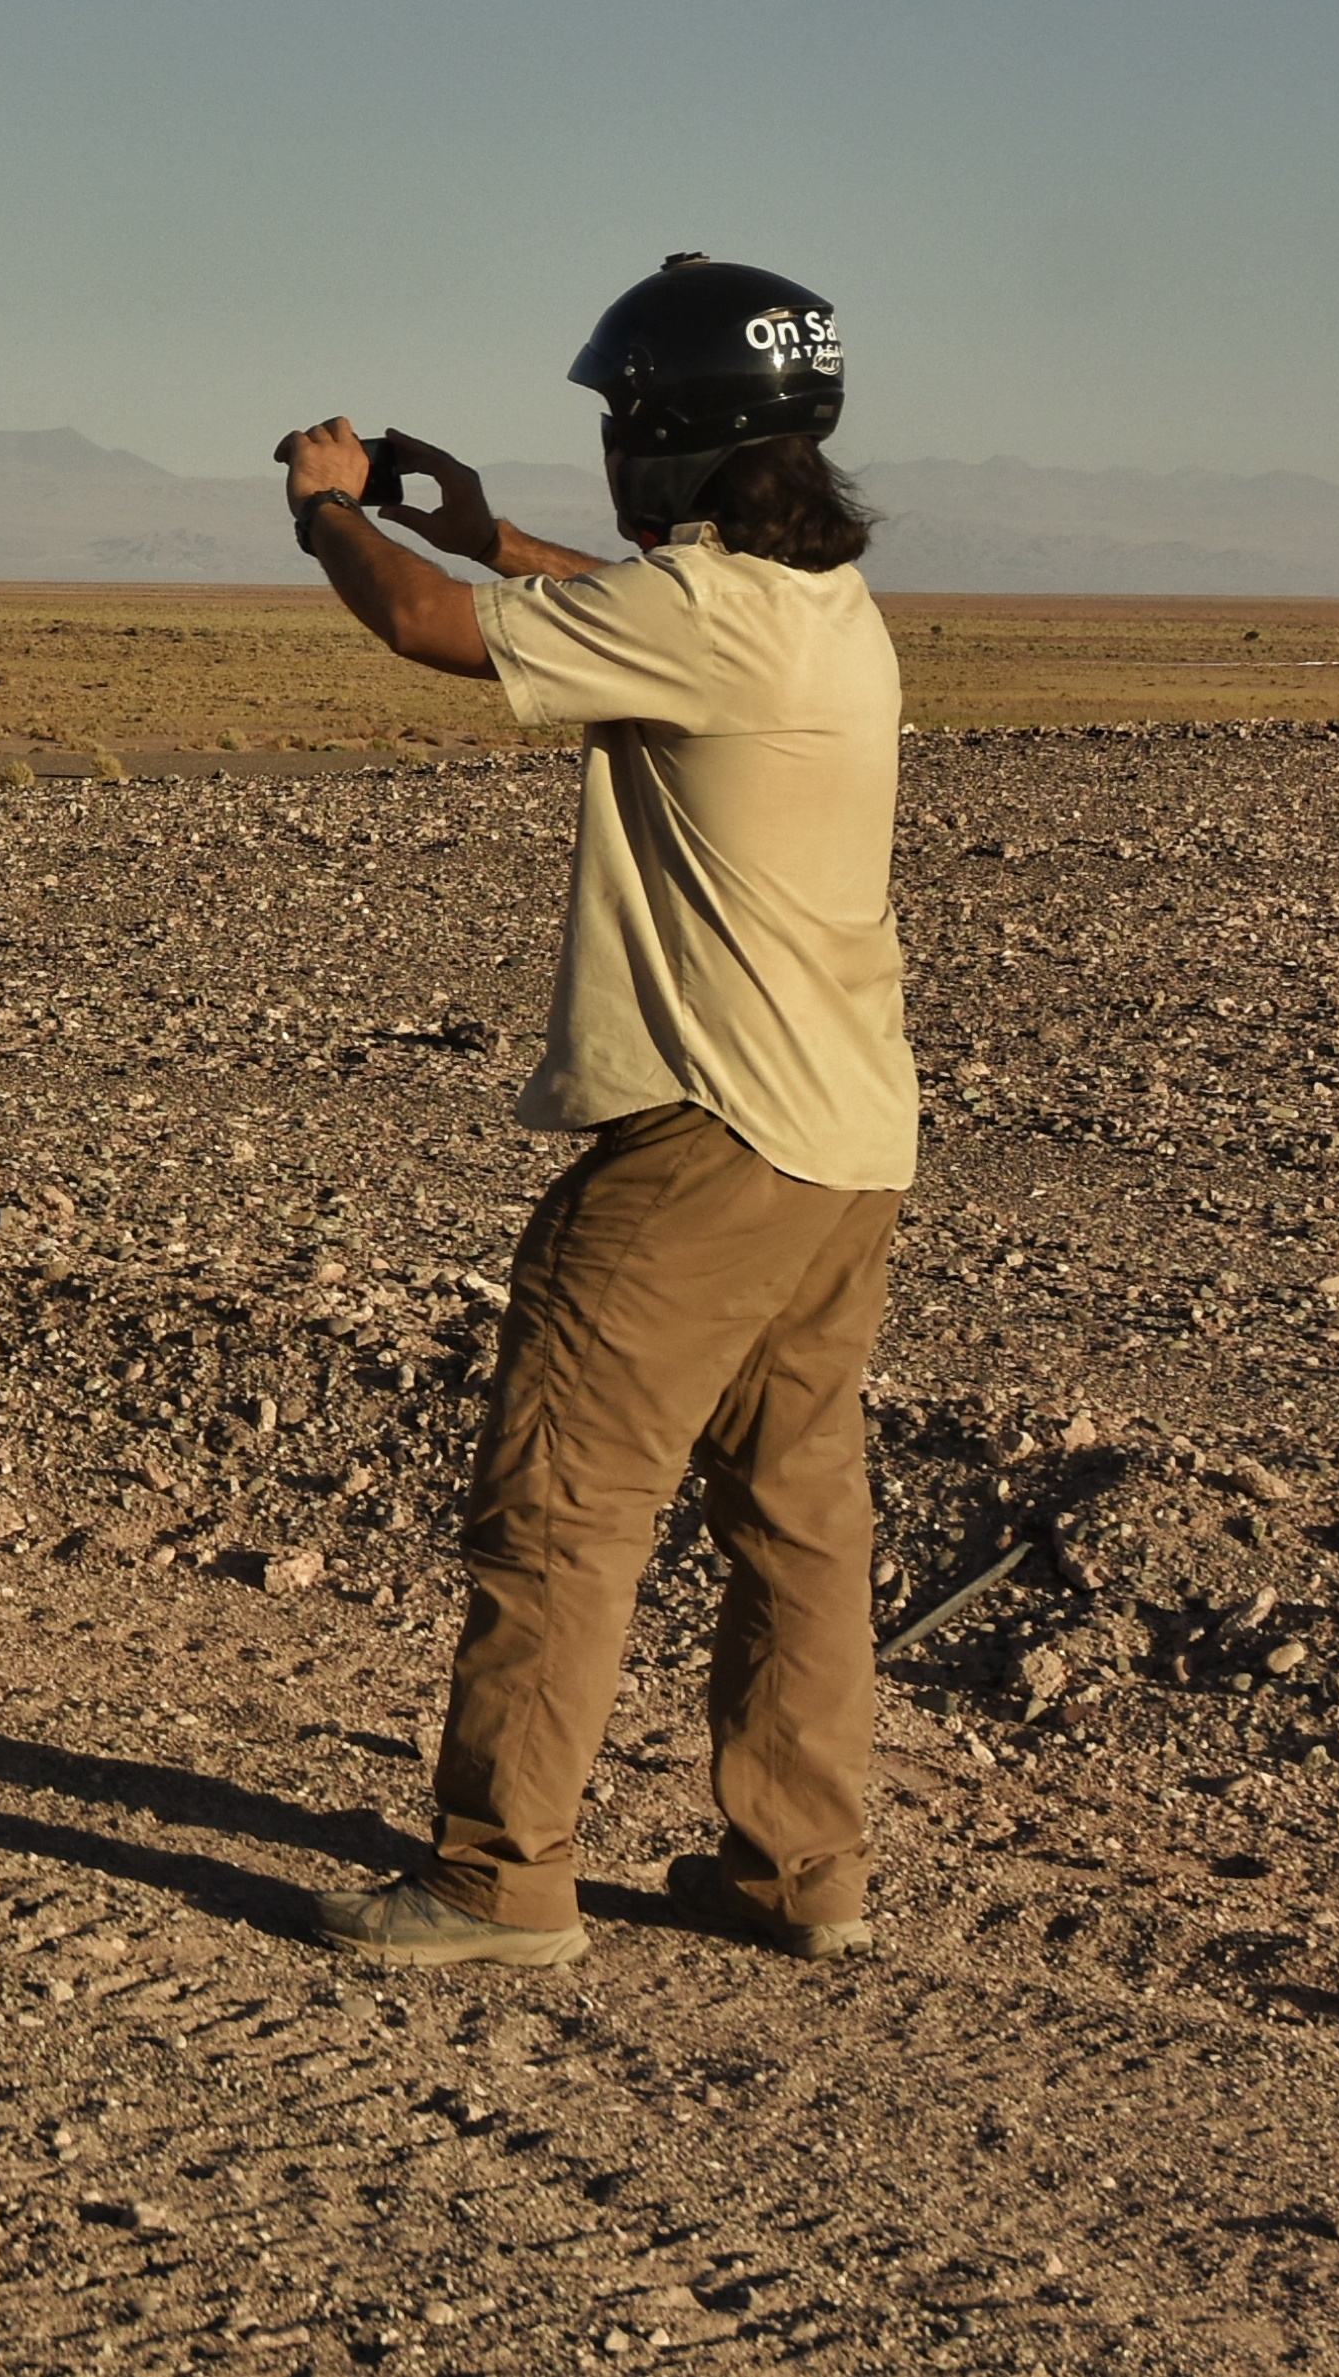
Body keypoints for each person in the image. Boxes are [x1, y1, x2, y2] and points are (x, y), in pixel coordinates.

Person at [276, 253, 912, 1969]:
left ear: (670, 434)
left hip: (705, 1142)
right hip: (843, 1154)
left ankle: (498, 1880)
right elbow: (616, 609)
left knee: (560, 1500)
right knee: (797, 1523)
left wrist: (332, 511)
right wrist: (486, 530)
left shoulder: (708, 618)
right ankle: (800, 1874)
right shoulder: (818, 609)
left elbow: (420, 629)